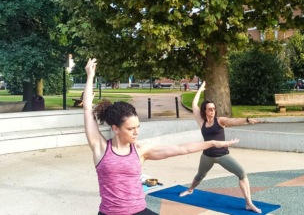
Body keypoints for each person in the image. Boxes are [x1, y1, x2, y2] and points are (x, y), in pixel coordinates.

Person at [83, 58, 239, 215]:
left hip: (138, 211)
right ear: (115, 128)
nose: (136, 132)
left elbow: (181, 148)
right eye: (131, 129)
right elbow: (87, 110)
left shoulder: (140, 151)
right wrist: (90, 76)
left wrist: (212, 143)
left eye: (138, 127)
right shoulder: (100, 148)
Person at [179, 81, 262, 213]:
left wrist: (246, 120)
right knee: (200, 176)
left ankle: (248, 203)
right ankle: (190, 190)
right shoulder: (201, 122)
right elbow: (194, 104)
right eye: (210, 109)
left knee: (242, 173)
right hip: (207, 155)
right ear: (205, 111)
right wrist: (200, 89)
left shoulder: (220, 120)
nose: (213, 110)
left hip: (223, 155)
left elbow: (233, 121)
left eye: (214, 108)